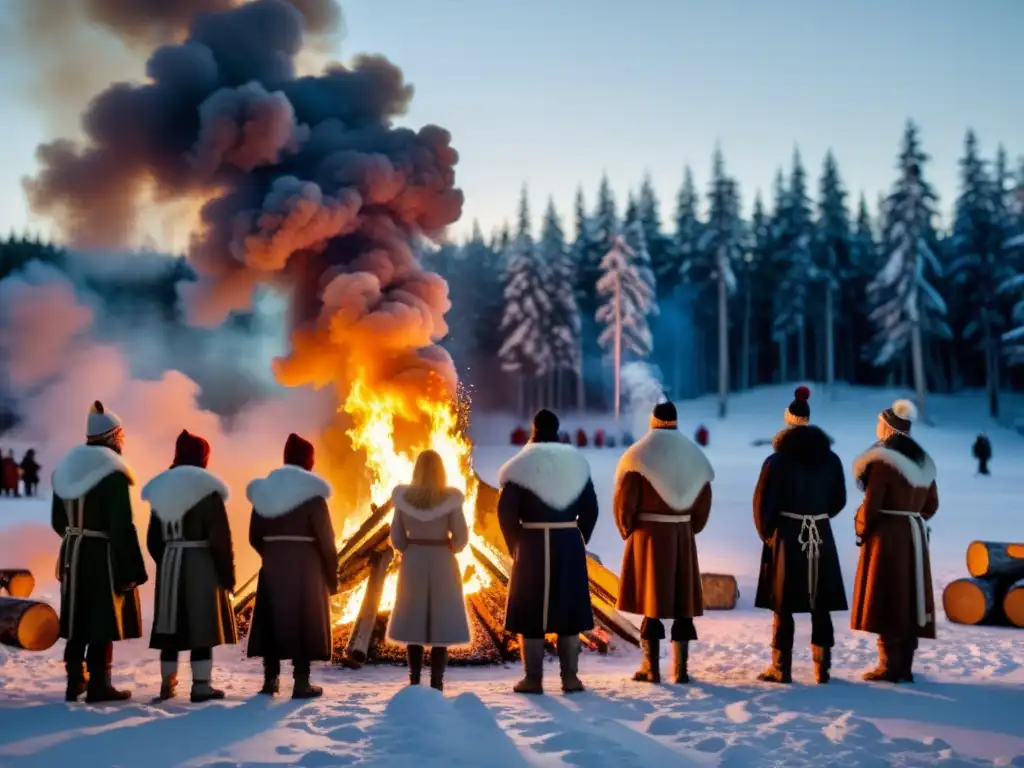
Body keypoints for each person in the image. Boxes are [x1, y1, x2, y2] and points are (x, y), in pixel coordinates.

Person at [50, 401, 148, 703]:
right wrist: (132, 568)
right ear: (112, 436)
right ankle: (99, 685)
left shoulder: (65, 468)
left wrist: (75, 538)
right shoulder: (113, 472)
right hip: (101, 553)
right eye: (121, 436)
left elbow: (57, 522)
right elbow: (121, 525)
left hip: (72, 552)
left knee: (78, 616)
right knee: (103, 617)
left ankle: (74, 680)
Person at [498, 409, 599, 695]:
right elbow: (590, 507)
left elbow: (506, 511)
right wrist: (578, 536)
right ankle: (570, 678)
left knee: (532, 612)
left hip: (531, 543)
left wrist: (516, 542)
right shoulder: (576, 464)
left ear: (533, 430)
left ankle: (533, 679)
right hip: (567, 541)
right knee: (568, 609)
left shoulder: (520, 465)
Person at [752, 386, 847, 684]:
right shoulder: (831, 459)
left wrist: (768, 533)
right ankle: (823, 669)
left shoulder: (777, 461)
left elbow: (763, 503)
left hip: (788, 537)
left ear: (788, 420)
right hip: (819, 533)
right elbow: (840, 499)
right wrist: (819, 517)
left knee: (784, 604)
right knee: (821, 604)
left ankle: (781, 668)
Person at [614, 401, 714, 685]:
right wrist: (689, 527)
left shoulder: (638, 455)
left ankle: (651, 668)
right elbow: (704, 499)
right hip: (681, 534)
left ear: (653, 420)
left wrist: (628, 530)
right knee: (683, 606)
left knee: (651, 605)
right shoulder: (695, 454)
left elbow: (625, 502)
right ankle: (680, 671)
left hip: (647, 538)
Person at [143, 430, 238, 703]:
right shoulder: (208, 489)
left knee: (170, 628)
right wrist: (226, 575)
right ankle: (200, 686)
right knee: (202, 627)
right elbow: (221, 538)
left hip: (171, 562)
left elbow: (152, 538)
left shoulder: (160, 488)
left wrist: (168, 559)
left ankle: (166, 685)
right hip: (201, 565)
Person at [850, 399, 938, 683]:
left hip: (888, 540)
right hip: (914, 537)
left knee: (887, 598)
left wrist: (862, 527)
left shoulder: (884, 461)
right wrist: (912, 516)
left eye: (879, 422)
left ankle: (889, 666)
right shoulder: (923, 461)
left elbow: (871, 503)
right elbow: (932, 505)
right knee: (910, 598)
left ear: (887, 427)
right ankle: (905, 665)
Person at [246, 433, 338, 699]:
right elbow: (326, 539)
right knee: (303, 621)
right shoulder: (313, 494)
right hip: (306, 567)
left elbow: (254, 535)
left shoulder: (264, 491)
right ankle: (301, 682)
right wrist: (331, 574)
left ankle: (270, 680)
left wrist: (273, 553)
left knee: (272, 619)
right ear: (308, 461)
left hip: (273, 563)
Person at [386, 450, 471, 691]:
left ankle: (414, 680)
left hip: (413, 561)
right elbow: (461, 538)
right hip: (442, 561)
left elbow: (397, 538)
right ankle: (437, 682)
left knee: (413, 622)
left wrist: (411, 549)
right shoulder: (451, 500)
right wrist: (450, 547)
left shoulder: (403, 500)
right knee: (440, 624)